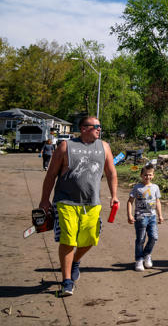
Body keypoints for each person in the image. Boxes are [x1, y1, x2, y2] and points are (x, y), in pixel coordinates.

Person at [39, 117, 118, 297]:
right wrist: (44, 200)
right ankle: (67, 281)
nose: (99, 129)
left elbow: (111, 172)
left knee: (91, 238)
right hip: (66, 201)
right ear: (83, 128)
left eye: (100, 126)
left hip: (92, 202)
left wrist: (114, 196)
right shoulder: (66, 147)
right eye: (95, 126)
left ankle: (75, 261)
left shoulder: (104, 147)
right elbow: (51, 175)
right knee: (68, 239)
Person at [127, 163, 164, 271]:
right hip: (140, 217)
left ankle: (147, 254)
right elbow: (130, 201)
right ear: (141, 175)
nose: (148, 177)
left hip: (152, 217)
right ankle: (139, 259)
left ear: (153, 175)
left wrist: (160, 215)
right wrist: (129, 215)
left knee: (154, 237)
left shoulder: (155, 187)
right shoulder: (137, 187)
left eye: (150, 175)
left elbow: (157, 201)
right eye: (145, 175)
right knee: (140, 239)